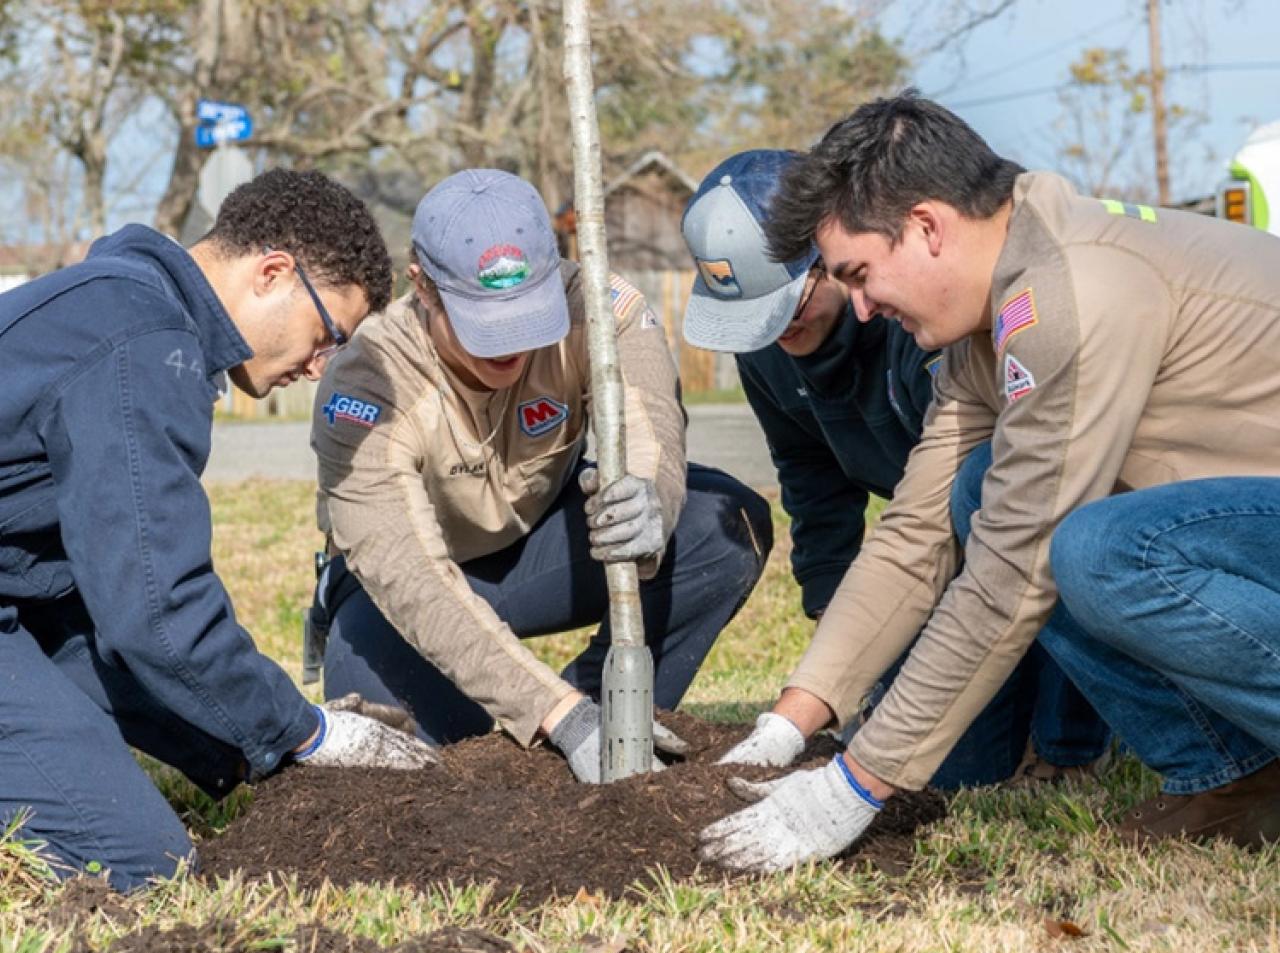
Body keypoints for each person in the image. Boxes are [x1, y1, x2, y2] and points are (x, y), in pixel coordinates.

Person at [699, 91, 1280, 872]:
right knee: (976, 491)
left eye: (861, 275)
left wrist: (855, 787)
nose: (863, 310)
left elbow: (1018, 563)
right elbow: (916, 530)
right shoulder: (988, 324)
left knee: (1096, 549)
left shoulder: (1069, 293)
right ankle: (1241, 774)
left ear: (929, 226)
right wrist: (792, 724)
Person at [0, 170, 438, 892]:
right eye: (330, 335)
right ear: (272, 272)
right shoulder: (145, 340)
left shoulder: (121, 302)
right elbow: (155, 610)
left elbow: (94, 603)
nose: (322, 366)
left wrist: (269, 740)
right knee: (147, 868)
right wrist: (309, 731)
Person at [308, 168, 772, 782]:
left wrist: (648, 502)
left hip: (541, 547)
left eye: (528, 314)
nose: (510, 345)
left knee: (723, 525)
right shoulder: (370, 380)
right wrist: (560, 716)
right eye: (484, 322)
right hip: (399, 593)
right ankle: (560, 722)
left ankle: (605, 712)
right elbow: (411, 574)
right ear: (421, 286)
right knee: (415, 768)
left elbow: (649, 426)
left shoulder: (602, 311)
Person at [681, 149, 1107, 788]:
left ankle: (1069, 742)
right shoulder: (766, 355)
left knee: (988, 496)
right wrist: (832, 678)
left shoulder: (915, 322)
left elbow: (993, 507)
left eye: (789, 303)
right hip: (934, 545)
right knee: (958, 770)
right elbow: (811, 482)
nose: (778, 331)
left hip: (1000, 521)